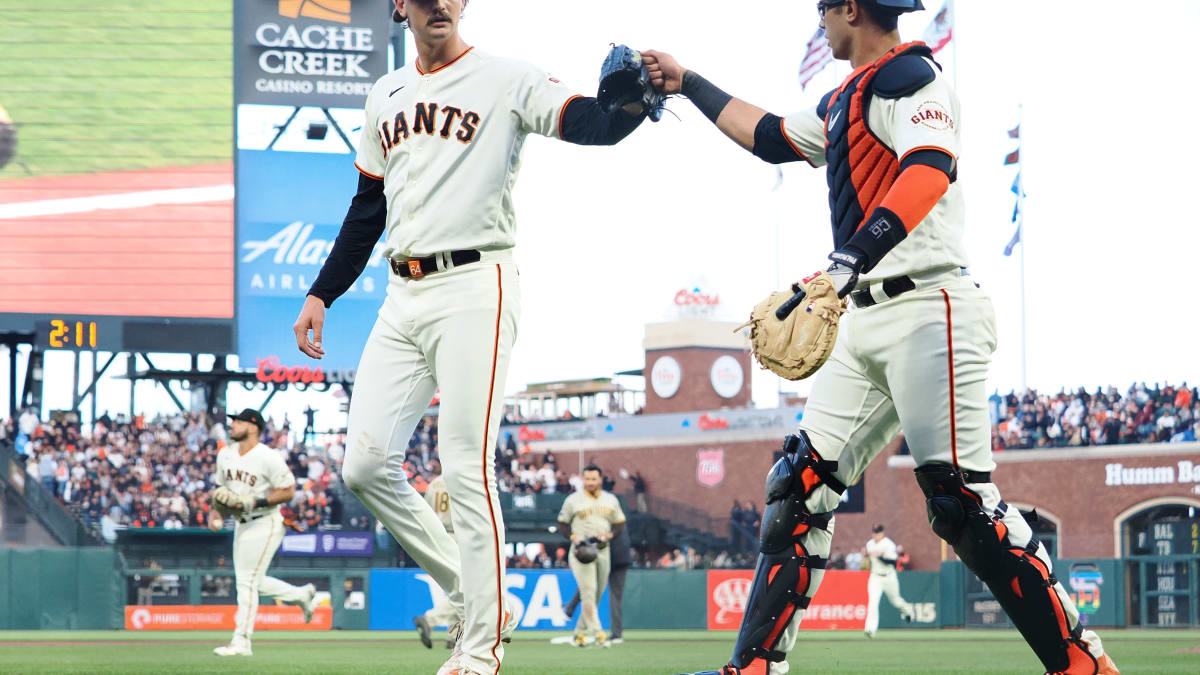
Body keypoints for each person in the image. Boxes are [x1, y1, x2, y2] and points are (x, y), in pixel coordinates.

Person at [647, 2, 1118, 674]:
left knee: (961, 504)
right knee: (798, 484)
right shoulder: (847, 97)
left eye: (823, 9)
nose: (819, 23)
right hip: (860, 314)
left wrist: (852, 254)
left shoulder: (914, 79)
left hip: (930, 304)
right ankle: (755, 666)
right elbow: (772, 135)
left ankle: (1084, 665)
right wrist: (688, 81)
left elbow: (928, 169)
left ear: (849, 8)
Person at [291, 2, 654, 672]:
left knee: (464, 466)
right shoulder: (385, 94)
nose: (438, 5)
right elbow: (366, 207)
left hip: (474, 280)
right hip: (402, 293)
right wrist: (321, 292)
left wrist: (631, 108)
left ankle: (481, 649)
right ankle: (470, 589)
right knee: (364, 465)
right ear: (400, 5)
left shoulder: (505, 77)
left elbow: (591, 123)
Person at [209, 409, 316, 657]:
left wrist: (255, 502)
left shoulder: (268, 457)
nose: (232, 425)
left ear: (253, 426)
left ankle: (242, 642)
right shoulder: (225, 454)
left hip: (265, 521)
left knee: (246, 582)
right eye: (232, 421)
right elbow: (220, 490)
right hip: (241, 523)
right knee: (252, 581)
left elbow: (288, 491)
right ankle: (302, 595)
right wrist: (215, 512)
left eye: (238, 421)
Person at [557, 465, 625, 648]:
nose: (590, 482)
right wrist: (573, 536)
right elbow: (562, 524)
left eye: (594, 479)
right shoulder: (573, 500)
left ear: (600, 479)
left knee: (597, 594)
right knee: (588, 591)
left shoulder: (610, 499)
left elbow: (619, 523)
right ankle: (598, 633)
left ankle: (579, 633)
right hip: (581, 551)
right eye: (587, 479)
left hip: (603, 549)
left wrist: (610, 535)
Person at [414, 460, 476, 650]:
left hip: (439, 536)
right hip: (459, 536)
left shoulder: (434, 484)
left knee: (457, 587)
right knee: (468, 588)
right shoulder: (462, 480)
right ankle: (431, 620)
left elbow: (425, 513)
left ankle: (454, 635)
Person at [561, 515, 632, 644]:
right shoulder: (615, 520)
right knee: (594, 590)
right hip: (620, 559)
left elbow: (600, 542)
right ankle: (615, 634)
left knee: (590, 589)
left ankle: (575, 613)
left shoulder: (604, 522)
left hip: (612, 558)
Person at [862, 524, 913, 638]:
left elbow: (893, 563)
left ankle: (907, 611)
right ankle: (870, 629)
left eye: (878, 532)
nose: (875, 535)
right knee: (873, 602)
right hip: (875, 577)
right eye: (874, 532)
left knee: (896, 601)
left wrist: (880, 556)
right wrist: (866, 555)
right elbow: (868, 559)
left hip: (889, 576)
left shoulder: (888, 544)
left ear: (882, 533)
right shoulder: (869, 544)